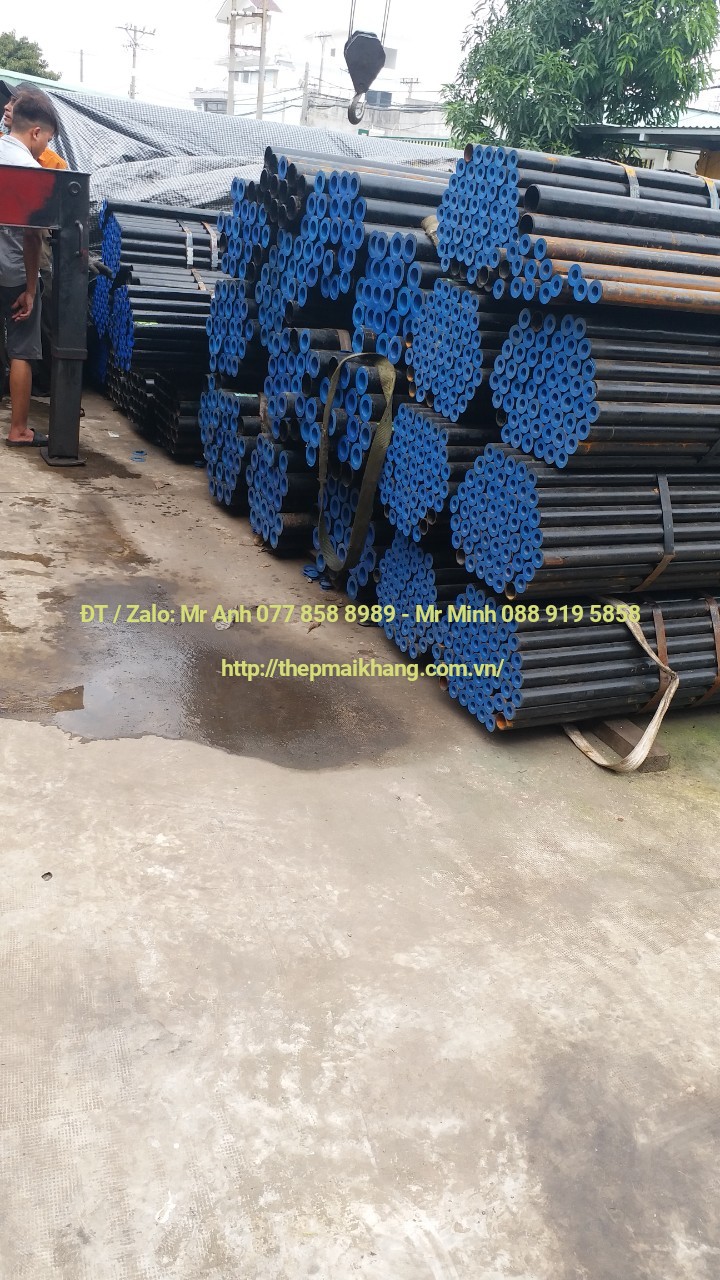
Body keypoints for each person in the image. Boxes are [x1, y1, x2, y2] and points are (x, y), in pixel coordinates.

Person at [0, 90, 60, 446]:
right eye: (47, 140)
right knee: (21, 350)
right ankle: (19, 430)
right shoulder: (31, 171)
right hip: (12, 274)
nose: (44, 148)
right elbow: (33, 237)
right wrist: (32, 289)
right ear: (36, 132)